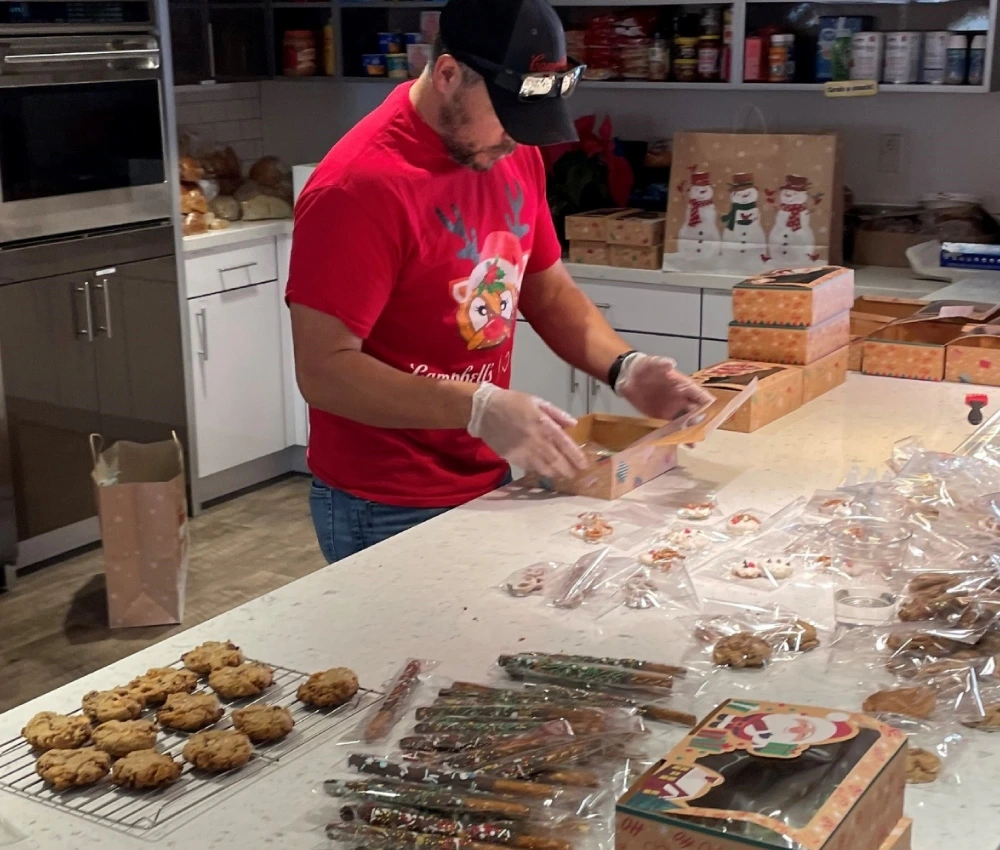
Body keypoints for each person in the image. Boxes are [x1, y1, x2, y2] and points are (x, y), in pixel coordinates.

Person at [286, 0, 713, 563]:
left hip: (484, 476)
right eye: (509, 118)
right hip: (385, 503)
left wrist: (623, 368)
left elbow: (548, 288)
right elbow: (324, 372)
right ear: (447, 75)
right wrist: (477, 406)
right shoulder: (358, 188)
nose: (518, 140)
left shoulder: (508, 154)